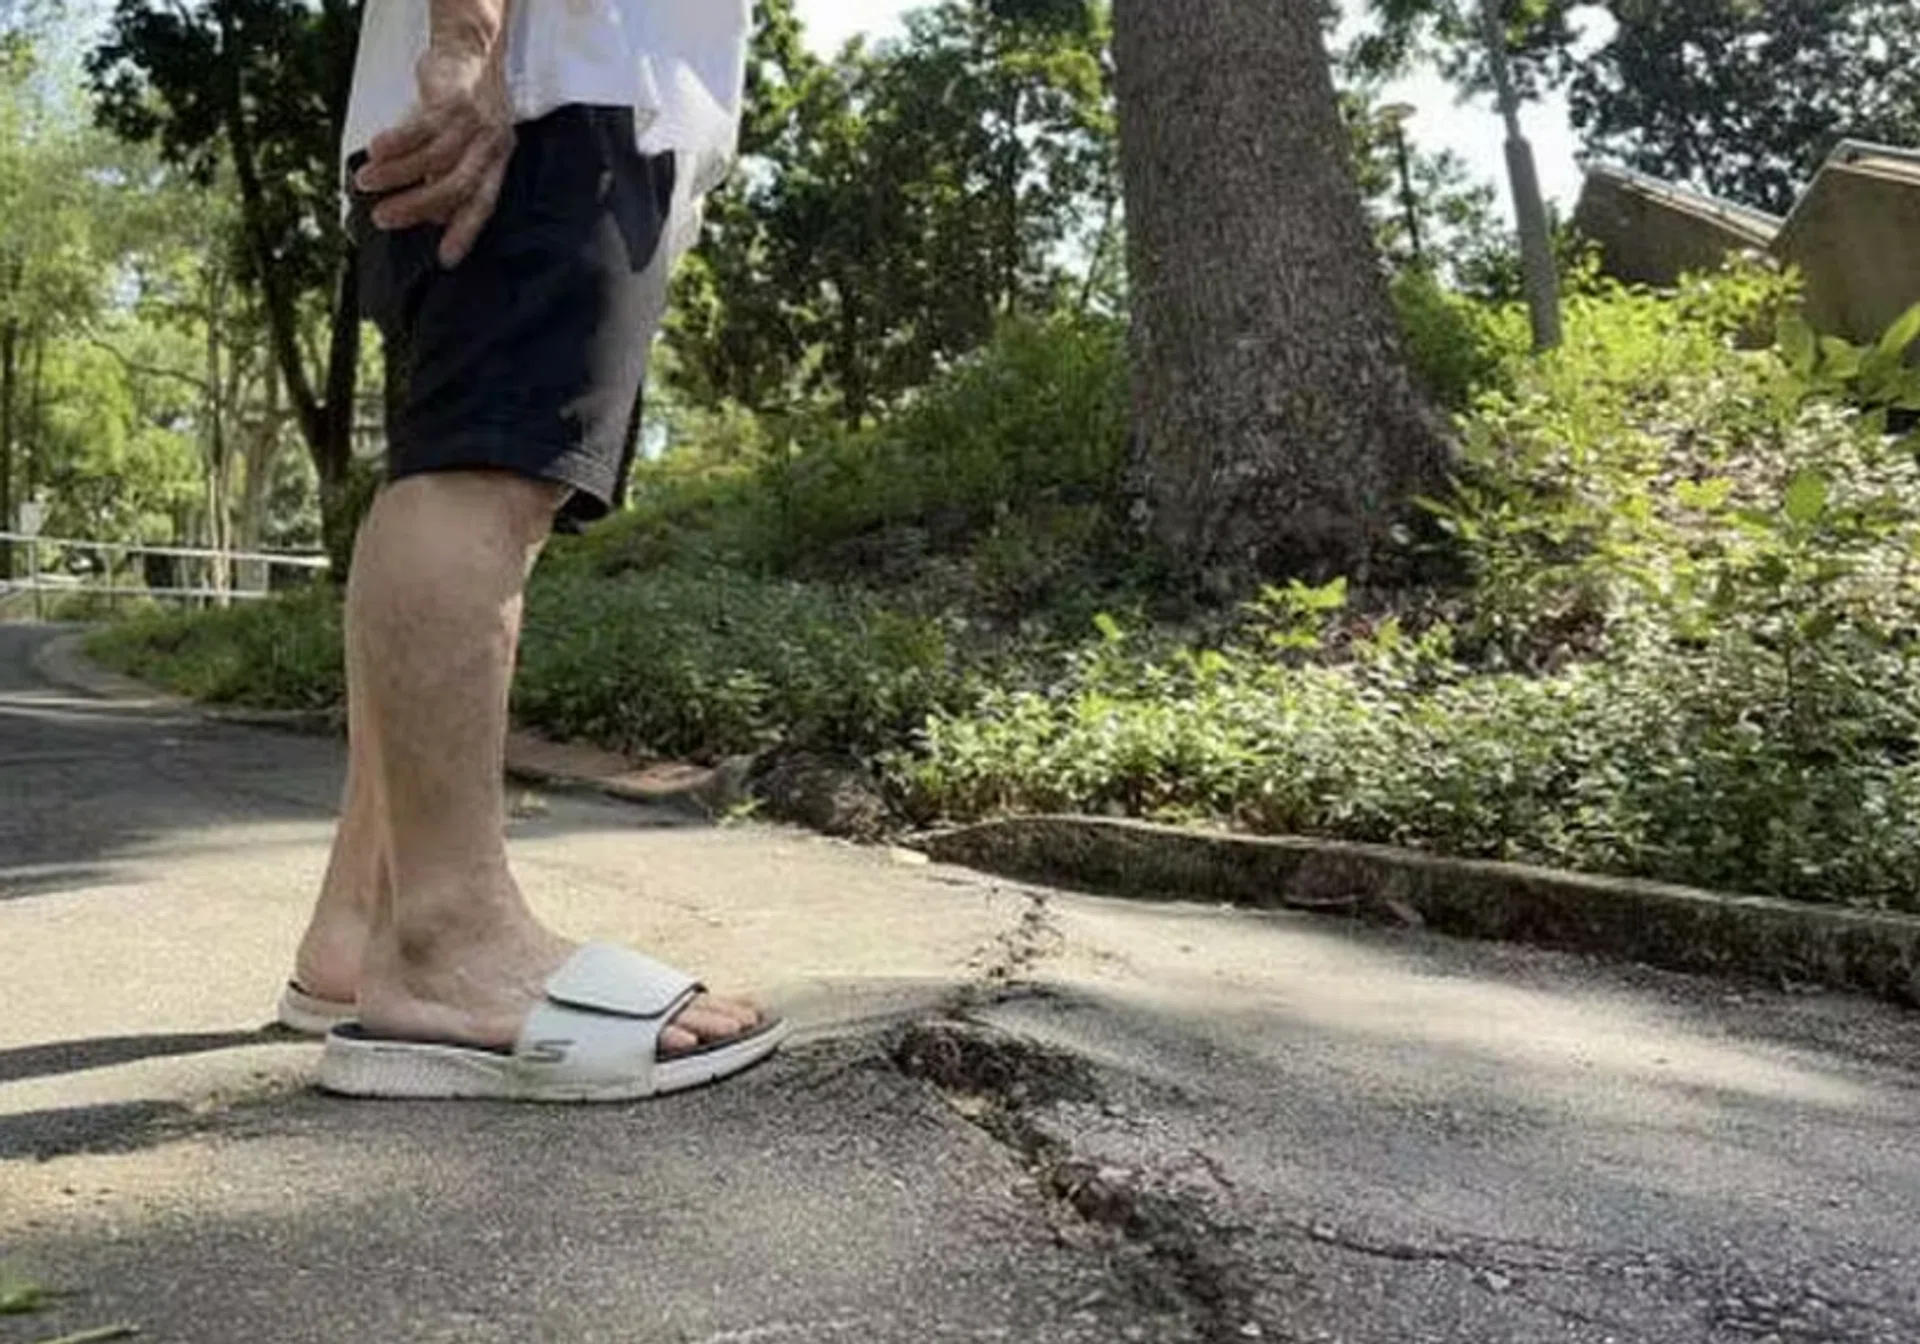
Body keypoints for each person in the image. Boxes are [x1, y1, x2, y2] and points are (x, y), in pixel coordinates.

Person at [274, 0, 785, 1102]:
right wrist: (469, 42)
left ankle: (364, 925)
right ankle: (449, 949)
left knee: (461, 470)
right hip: (552, 83)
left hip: (544, 82)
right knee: (486, 477)